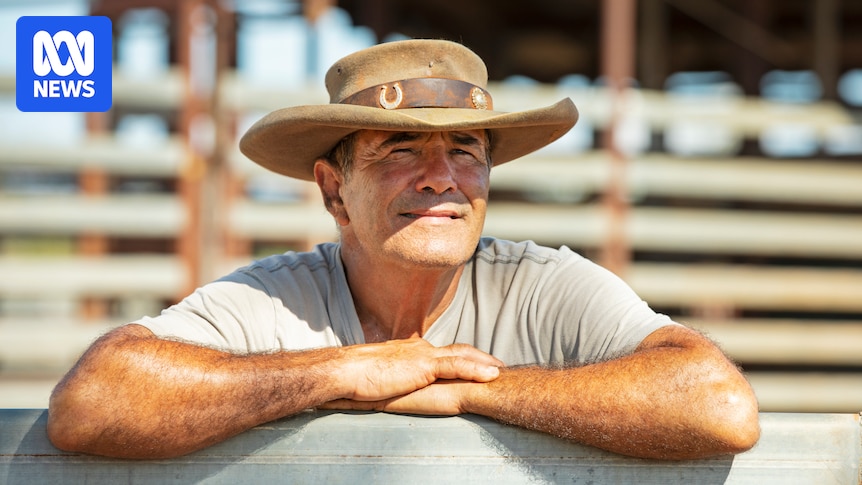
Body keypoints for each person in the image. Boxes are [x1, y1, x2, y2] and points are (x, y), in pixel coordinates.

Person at [46, 39, 760, 460]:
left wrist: (469, 390)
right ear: (334, 190)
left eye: (465, 150)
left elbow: (719, 404)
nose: (441, 177)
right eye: (400, 148)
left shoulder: (544, 285)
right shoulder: (274, 298)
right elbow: (92, 402)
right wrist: (345, 370)